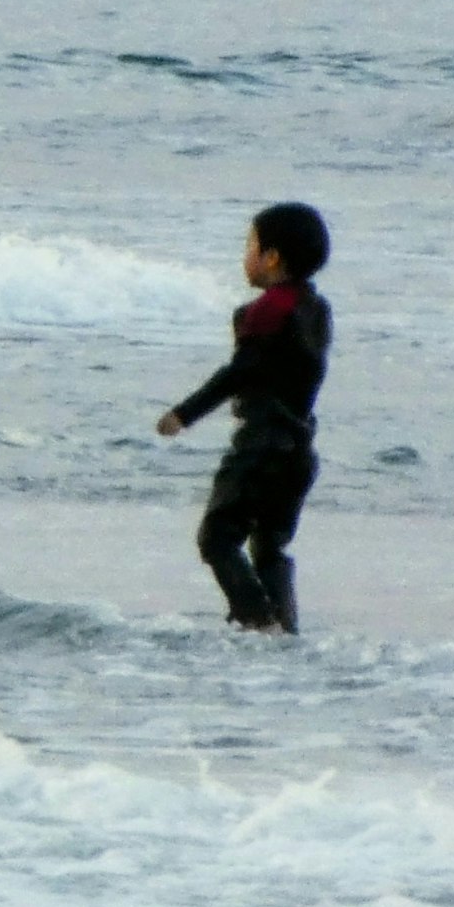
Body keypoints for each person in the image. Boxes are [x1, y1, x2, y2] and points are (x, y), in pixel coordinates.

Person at [154, 202, 333, 632]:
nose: (245, 255)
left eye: (249, 245)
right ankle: (284, 630)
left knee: (217, 538)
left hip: (261, 446)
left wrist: (184, 414)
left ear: (271, 257)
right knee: (269, 546)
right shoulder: (317, 310)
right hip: (299, 450)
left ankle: (258, 621)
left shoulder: (267, 311)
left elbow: (240, 372)